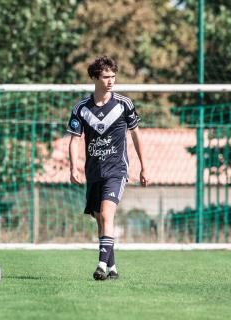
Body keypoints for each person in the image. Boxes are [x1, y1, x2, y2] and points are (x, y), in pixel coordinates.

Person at [67, 56, 148, 280]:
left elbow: (136, 135)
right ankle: (112, 268)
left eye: (113, 76)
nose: (110, 81)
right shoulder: (81, 108)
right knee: (99, 219)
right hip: (94, 173)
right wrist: (73, 167)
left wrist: (144, 167)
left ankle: (101, 265)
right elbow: (74, 140)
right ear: (95, 78)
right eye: (105, 77)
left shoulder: (124, 104)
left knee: (106, 213)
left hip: (117, 170)